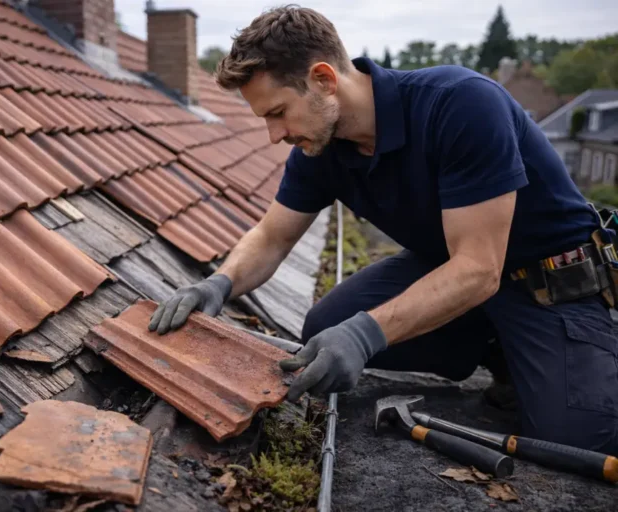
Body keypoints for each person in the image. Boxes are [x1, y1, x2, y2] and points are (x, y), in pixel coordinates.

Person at [147, 5, 618, 454]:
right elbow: (272, 237)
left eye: (277, 113)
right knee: (326, 330)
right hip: (454, 272)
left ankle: (550, 358)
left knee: (574, 442)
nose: (274, 135)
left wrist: (365, 335)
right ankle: (496, 350)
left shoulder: (460, 105)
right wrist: (219, 284)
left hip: (549, 284)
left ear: (324, 80)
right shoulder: (320, 148)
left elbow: (479, 269)